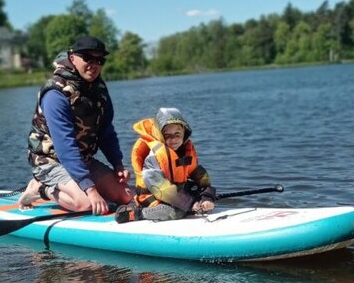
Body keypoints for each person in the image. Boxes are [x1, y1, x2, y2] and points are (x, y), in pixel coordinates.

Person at [19, 35, 132, 215]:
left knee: (126, 196)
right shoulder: (56, 93)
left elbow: (106, 132)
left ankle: (75, 187)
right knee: (85, 204)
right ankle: (41, 188)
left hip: (82, 160)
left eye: (99, 60)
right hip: (50, 161)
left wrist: (118, 164)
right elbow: (65, 146)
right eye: (87, 58)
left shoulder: (99, 90)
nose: (94, 64)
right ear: (72, 58)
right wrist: (91, 189)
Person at [115, 107, 216, 223]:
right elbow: (161, 188)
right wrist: (191, 203)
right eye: (167, 136)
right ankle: (136, 213)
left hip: (176, 193)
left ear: (185, 134)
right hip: (153, 196)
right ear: (159, 135)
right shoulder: (154, 156)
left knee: (203, 197)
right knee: (177, 212)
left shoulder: (185, 151)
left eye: (177, 134)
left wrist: (207, 196)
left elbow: (199, 175)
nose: (173, 139)